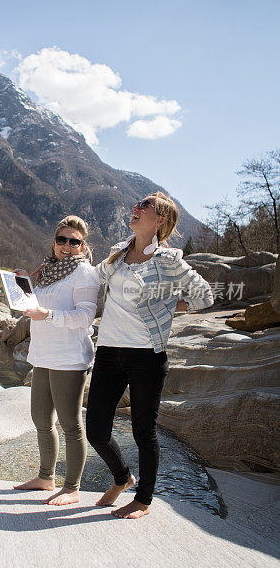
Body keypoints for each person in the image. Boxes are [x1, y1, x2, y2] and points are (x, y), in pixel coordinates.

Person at [86, 192, 213, 519]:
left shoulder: (169, 262)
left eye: (144, 207)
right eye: (136, 205)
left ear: (160, 220)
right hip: (109, 352)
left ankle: (143, 499)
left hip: (146, 356)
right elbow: (89, 279)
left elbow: (205, 297)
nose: (135, 209)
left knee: (143, 431)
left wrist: (169, 305)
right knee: (96, 430)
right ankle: (122, 478)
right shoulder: (118, 253)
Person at [13, 215, 100, 505]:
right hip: (43, 355)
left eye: (74, 241)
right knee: (41, 419)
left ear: (82, 245)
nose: (67, 245)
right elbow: (32, 307)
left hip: (70, 358)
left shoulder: (84, 273)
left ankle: (72, 488)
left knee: (71, 424)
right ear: (54, 242)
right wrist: (24, 285)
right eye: (61, 239)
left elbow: (86, 316)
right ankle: (45, 478)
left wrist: (48, 315)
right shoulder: (47, 271)